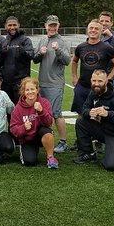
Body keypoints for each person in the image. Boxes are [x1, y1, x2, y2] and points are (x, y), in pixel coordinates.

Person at [74, 69, 114, 171]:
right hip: (104, 129)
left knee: (111, 165)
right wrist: (89, 112)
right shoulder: (94, 92)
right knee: (81, 121)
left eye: (100, 81)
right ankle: (88, 153)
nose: (96, 84)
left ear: (106, 81)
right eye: (94, 81)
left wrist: (107, 114)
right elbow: (84, 109)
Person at [33, 15, 71, 153]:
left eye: (55, 25)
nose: (52, 28)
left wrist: (58, 50)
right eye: (50, 25)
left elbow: (67, 61)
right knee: (41, 112)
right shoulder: (42, 40)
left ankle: (63, 142)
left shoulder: (62, 41)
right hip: (42, 83)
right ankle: (45, 137)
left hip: (55, 84)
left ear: (58, 26)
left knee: (56, 113)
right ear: (46, 26)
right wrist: (40, 54)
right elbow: (35, 59)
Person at [71, 19, 114, 115]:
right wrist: (74, 77)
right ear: (87, 30)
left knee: (98, 116)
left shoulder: (107, 48)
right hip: (82, 86)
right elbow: (74, 61)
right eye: (91, 28)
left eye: (96, 29)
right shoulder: (80, 47)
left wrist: (109, 78)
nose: (93, 30)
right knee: (81, 115)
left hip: (99, 88)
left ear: (100, 31)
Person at [10, 77, 59, 169]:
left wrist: (41, 111)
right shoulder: (18, 108)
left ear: (37, 90)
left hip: (40, 134)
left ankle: (50, 157)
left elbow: (49, 123)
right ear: (23, 92)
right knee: (29, 162)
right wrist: (23, 127)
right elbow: (13, 129)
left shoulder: (44, 102)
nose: (30, 92)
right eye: (27, 90)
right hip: (27, 138)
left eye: (32, 89)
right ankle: (30, 150)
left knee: (47, 132)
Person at [0, 16, 34, 104]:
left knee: (21, 107)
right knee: (8, 109)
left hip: (21, 82)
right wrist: (1, 52)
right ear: (6, 26)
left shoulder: (25, 40)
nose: (12, 27)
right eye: (10, 25)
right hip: (7, 83)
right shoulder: (4, 41)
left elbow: (31, 55)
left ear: (19, 25)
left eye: (14, 25)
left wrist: (21, 50)